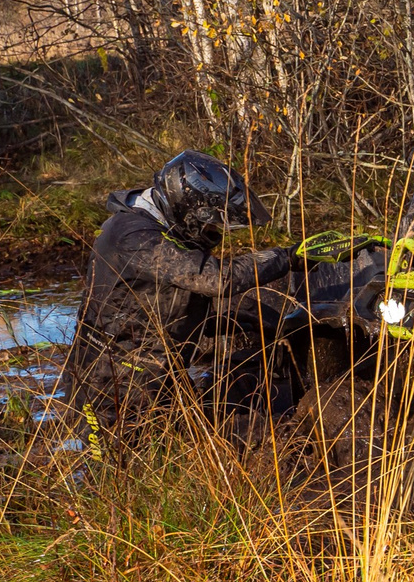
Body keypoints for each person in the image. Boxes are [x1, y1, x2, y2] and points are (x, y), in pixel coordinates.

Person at [63, 151, 293, 441]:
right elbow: (216, 278)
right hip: (111, 383)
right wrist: (288, 257)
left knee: (182, 457)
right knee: (113, 469)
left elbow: (148, 301)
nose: (216, 233)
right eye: (212, 225)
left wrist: (219, 319)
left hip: (154, 373)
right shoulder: (133, 235)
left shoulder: (160, 230)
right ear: (188, 209)